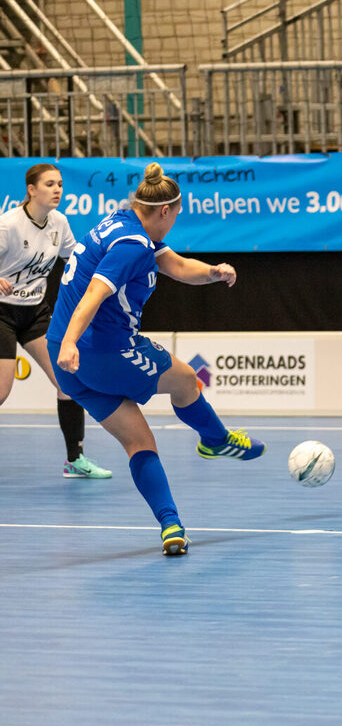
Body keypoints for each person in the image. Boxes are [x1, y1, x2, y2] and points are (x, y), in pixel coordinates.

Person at [48, 163, 266, 556]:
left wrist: (214, 273)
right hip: (101, 351)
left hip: (69, 362)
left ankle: (172, 527)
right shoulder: (133, 245)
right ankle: (215, 439)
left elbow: (176, 265)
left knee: (139, 442)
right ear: (165, 211)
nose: (175, 221)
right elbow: (95, 293)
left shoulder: (122, 222)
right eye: (176, 214)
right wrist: (71, 342)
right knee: (185, 380)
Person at [0, 163, 110, 478]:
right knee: (2, 391)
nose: (57, 189)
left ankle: (75, 460)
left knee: (68, 381)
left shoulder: (59, 223)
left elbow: (76, 261)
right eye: (49, 184)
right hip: (1, 313)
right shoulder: (8, 225)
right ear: (31, 190)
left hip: (35, 311)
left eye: (60, 184)